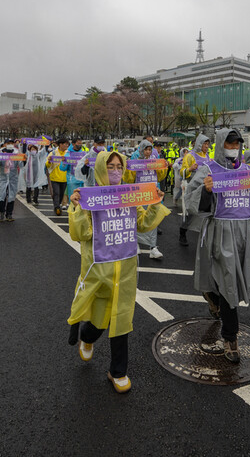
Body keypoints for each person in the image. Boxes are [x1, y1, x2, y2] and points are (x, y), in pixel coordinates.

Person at [67, 151, 169, 393]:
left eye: (118, 167)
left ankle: (118, 371)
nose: (114, 171)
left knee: (122, 319)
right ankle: (87, 336)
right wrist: (78, 208)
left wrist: (155, 205)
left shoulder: (129, 195)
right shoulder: (90, 197)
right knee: (99, 321)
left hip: (125, 270)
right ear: (101, 169)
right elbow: (81, 234)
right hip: (99, 271)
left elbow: (142, 224)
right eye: (110, 166)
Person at [185, 128, 250, 363]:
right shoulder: (209, 169)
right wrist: (205, 190)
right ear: (220, 144)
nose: (233, 149)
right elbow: (192, 203)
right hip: (219, 232)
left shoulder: (249, 172)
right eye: (229, 144)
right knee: (228, 281)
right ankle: (230, 336)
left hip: (243, 233)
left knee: (228, 279)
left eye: (237, 145)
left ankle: (211, 295)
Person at [126, 140, 168, 259]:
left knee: (152, 220)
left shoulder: (154, 162)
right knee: (138, 218)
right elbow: (129, 179)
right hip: (139, 195)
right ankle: (136, 244)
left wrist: (163, 166)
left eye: (150, 150)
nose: (148, 152)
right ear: (141, 150)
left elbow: (160, 176)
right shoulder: (136, 162)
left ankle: (153, 247)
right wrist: (129, 168)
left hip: (152, 194)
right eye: (146, 149)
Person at [177, 133, 213, 246]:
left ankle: (203, 234)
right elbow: (181, 172)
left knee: (203, 210)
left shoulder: (208, 156)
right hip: (191, 187)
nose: (206, 146)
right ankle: (183, 231)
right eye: (204, 144)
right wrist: (190, 169)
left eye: (208, 144)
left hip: (203, 187)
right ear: (199, 144)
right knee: (190, 210)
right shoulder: (190, 156)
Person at [0, 139, 23, 222]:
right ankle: (2, 212)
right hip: (3, 178)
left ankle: (9, 213)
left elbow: (21, 165)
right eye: (8, 143)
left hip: (13, 178)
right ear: (5, 144)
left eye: (11, 143)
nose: (10, 145)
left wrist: (24, 159)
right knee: (2, 196)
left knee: (12, 196)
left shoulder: (17, 153)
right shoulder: (0, 153)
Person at [47, 138, 71, 216]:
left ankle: (58, 204)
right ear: (60, 144)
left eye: (67, 144)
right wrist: (49, 161)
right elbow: (47, 165)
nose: (67, 146)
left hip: (64, 178)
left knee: (61, 194)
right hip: (55, 177)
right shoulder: (53, 153)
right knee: (56, 193)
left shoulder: (68, 153)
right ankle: (57, 207)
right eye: (65, 144)